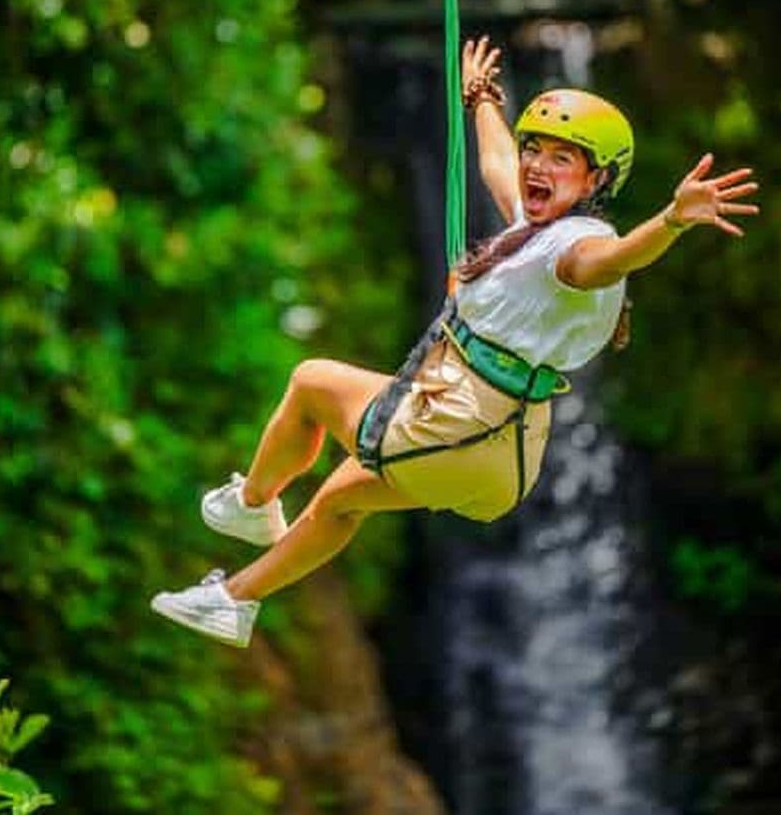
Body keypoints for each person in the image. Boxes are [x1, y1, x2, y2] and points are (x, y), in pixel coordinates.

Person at [151, 35, 760, 648]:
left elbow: (612, 260)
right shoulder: (538, 227)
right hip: (503, 456)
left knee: (312, 382)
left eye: (560, 159)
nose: (536, 166)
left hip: (457, 424)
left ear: (597, 179)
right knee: (339, 502)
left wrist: (673, 220)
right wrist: (482, 99)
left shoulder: (579, 248)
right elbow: (496, 164)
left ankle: (253, 504)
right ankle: (233, 599)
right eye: (535, 150)